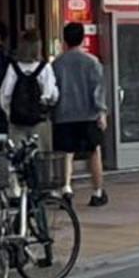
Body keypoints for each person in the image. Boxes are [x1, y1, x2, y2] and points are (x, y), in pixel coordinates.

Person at [53, 21, 109, 206]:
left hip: (63, 115)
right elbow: (98, 89)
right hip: (88, 115)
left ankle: (66, 188)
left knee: (66, 153)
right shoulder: (92, 62)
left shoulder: (57, 64)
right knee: (94, 152)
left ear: (65, 40)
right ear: (82, 38)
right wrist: (101, 111)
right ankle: (97, 192)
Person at [0, 34, 58, 171]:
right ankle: (42, 186)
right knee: (42, 157)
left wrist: (8, 112)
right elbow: (51, 95)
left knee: (17, 158)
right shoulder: (45, 68)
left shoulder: (13, 68)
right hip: (40, 120)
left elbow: (5, 94)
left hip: (17, 120)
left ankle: (20, 188)